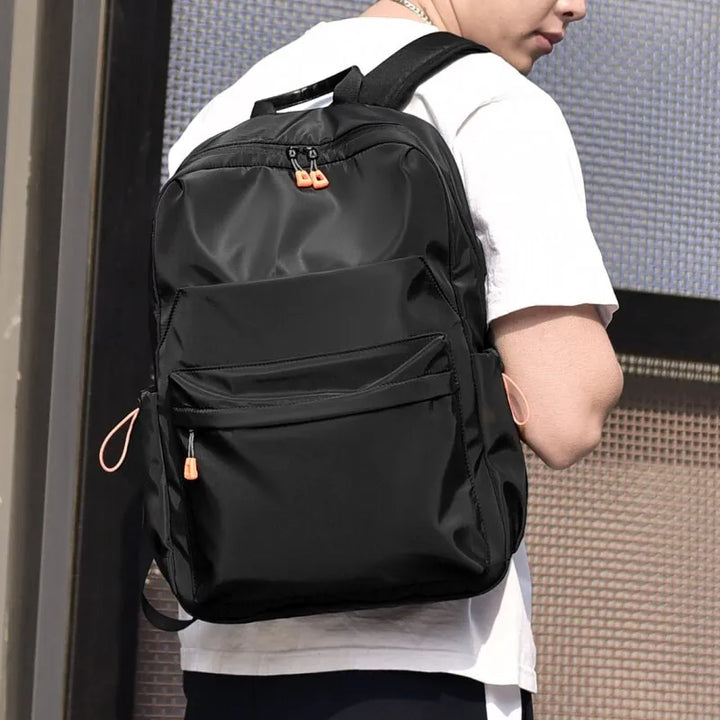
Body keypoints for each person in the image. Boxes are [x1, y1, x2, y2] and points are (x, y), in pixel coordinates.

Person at [167, 1, 624, 718]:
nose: (577, 4)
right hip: (425, 662)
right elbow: (568, 416)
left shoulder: (226, 112)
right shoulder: (491, 102)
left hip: (230, 652)